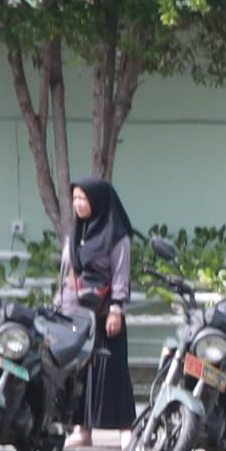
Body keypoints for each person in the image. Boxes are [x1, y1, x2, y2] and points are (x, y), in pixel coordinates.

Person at [60, 178, 138, 431]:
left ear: (98, 202)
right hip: (78, 318)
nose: (78, 204)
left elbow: (120, 275)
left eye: (83, 199)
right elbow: (67, 275)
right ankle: (82, 430)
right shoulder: (75, 235)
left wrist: (117, 308)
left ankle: (125, 431)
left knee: (111, 373)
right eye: (75, 199)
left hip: (106, 316)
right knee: (78, 373)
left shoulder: (117, 237)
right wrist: (63, 310)